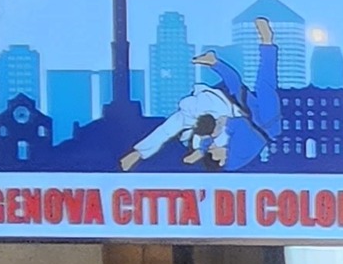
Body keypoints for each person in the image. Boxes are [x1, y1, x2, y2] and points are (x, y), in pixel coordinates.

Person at [119, 16, 280, 172]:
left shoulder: (211, 143)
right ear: (221, 160)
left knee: (237, 89)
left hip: (245, 117)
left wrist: (200, 149)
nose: (213, 147)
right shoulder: (237, 156)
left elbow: (172, 132)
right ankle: (267, 41)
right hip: (267, 124)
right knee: (264, 87)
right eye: (213, 150)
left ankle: (214, 62)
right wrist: (223, 123)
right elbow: (241, 126)